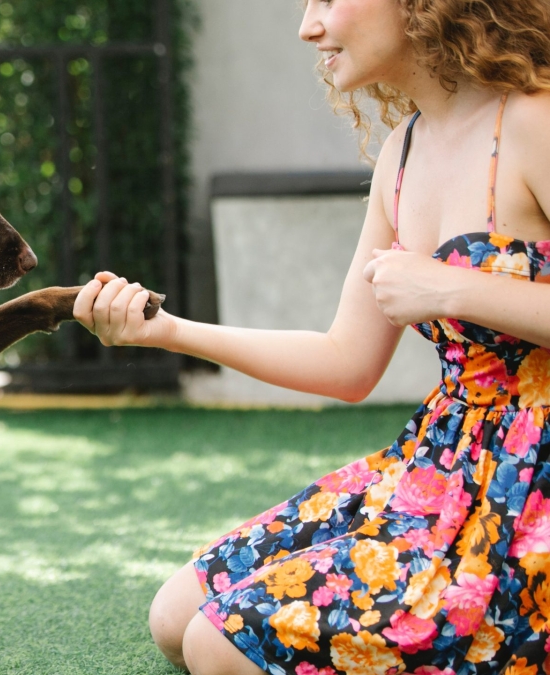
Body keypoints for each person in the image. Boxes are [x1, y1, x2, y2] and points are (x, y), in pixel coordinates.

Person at [72, 1, 550, 674]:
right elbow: (346, 361)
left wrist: (449, 289)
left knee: (220, 644)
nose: (308, 26)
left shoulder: (533, 121)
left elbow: (437, 295)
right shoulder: (403, 155)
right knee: (176, 615)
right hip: (444, 466)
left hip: (530, 490)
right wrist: (167, 331)